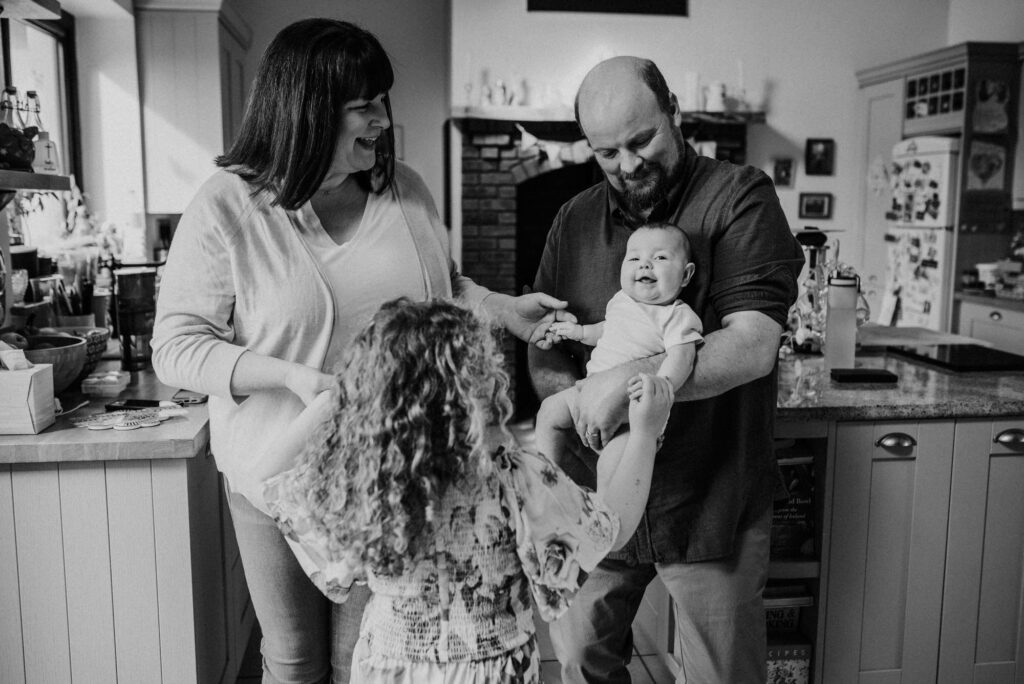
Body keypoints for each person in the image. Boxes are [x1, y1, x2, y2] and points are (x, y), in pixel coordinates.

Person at [151, 19, 574, 684]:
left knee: (365, 660)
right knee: (294, 663)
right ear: (310, 109)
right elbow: (175, 348)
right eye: (363, 106)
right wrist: (292, 377)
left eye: (383, 100)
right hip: (279, 474)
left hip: (392, 472)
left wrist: (502, 310)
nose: (382, 120)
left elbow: (445, 288)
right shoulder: (227, 208)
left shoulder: (404, 190)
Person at [528, 56, 804, 683]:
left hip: (711, 494)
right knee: (579, 661)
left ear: (674, 111)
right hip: (597, 494)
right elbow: (546, 341)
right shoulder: (573, 219)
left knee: (720, 675)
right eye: (606, 153)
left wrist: (617, 391)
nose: (627, 165)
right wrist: (571, 405)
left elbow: (754, 345)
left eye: (641, 140)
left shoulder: (741, 196)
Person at [250, 297, 675, 683]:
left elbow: (265, 477)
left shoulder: (367, 475)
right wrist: (642, 434)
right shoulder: (511, 475)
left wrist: (341, 397)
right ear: (475, 386)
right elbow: (609, 529)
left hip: (387, 667)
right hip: (490, 673)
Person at [535, 222, 702, 474]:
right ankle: (546, 478)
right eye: (634, 258)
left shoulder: (675, 315)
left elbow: (683, 355)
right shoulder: (621, 301)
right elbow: (608, 330)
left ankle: (607, 509)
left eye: (660, 257)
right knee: (549, 412)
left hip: (630, 412)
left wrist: (662, 386)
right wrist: (580, 332)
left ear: (686, 274)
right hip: (588, 392)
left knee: (610, 469)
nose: (644, 264)